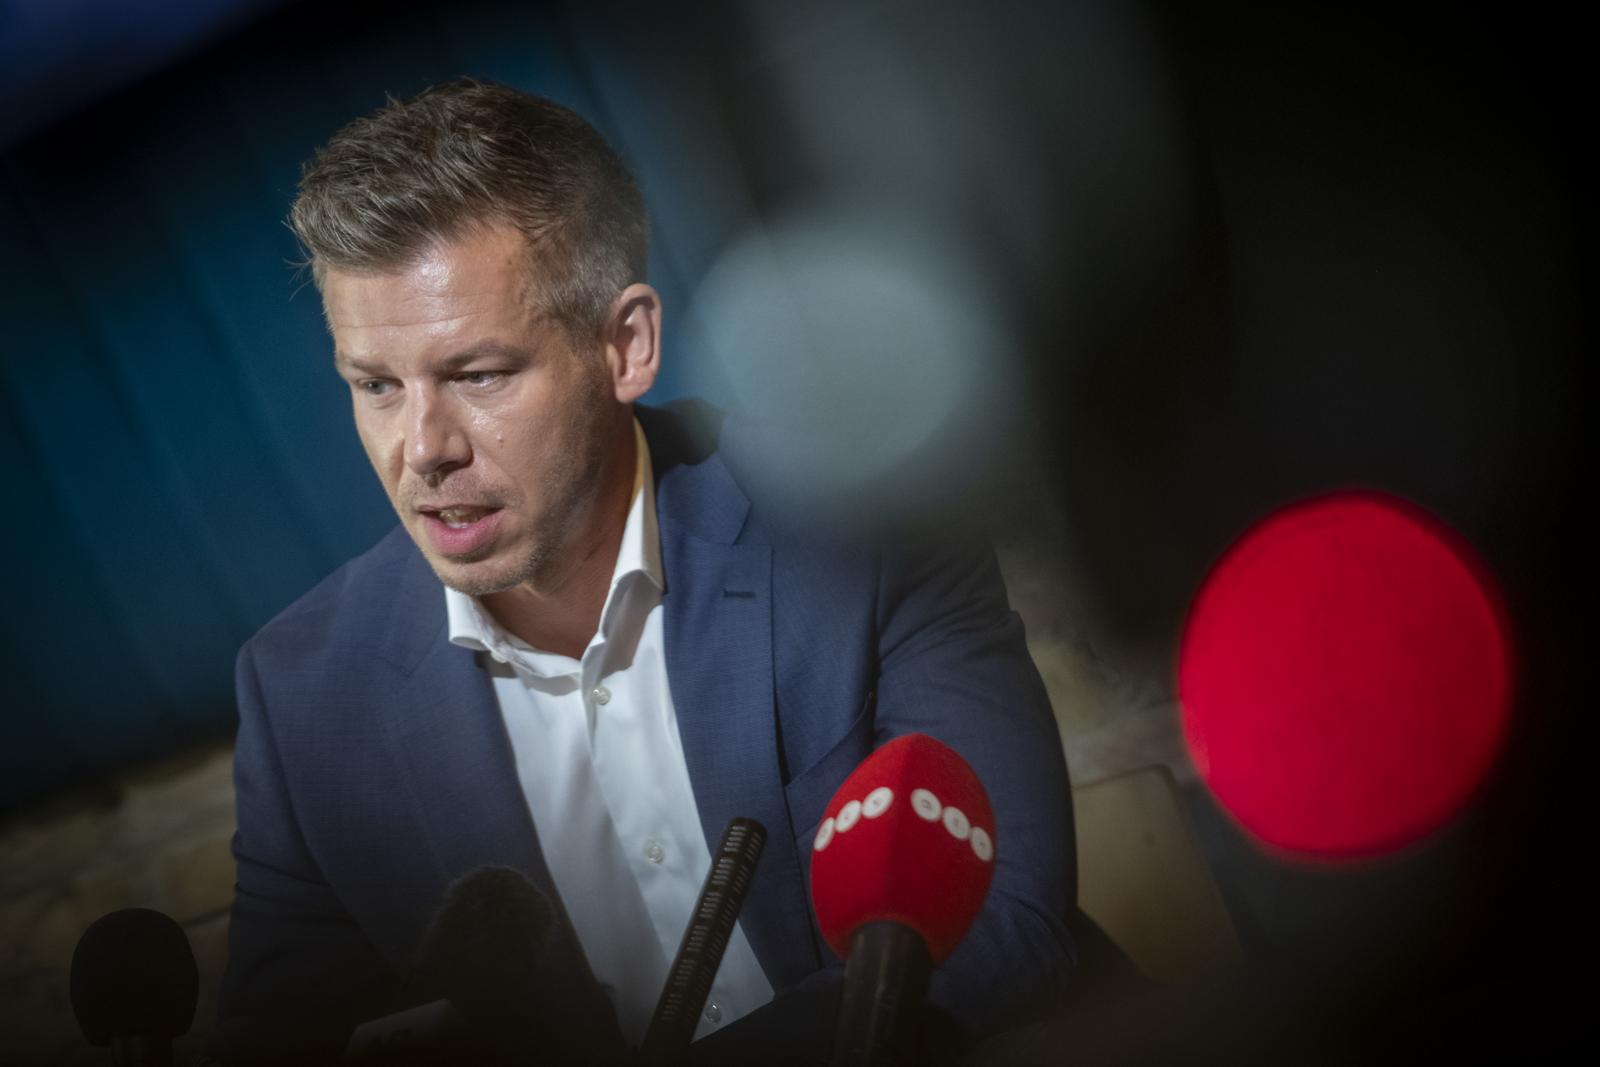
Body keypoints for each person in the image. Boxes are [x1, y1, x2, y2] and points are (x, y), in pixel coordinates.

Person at [219, 78, 1076, 1061]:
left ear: (625, 346)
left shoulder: (861, 526)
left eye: (478, 375)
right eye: (375, 385)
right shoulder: (303, 700)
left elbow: (1005, 922)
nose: (422, 448)